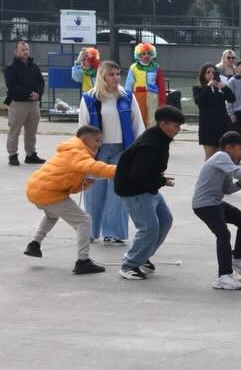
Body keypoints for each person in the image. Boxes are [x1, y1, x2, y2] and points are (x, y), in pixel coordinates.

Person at [22, 125, 113, 275]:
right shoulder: (78, 153)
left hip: (36, 189)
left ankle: (34, 244)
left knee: (51, 215)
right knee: (84, 221)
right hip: (49, 193)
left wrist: (84, 184)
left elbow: (68, 181)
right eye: (97, 140)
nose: (100, 144)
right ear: (85, 140)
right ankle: (83, 262)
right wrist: (122, 170)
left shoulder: (72, 150)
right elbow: (98, 168)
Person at [112, 104, 185, 281]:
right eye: (176, 125)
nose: (178, 129)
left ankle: (142, 257)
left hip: (147, 188)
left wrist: (158, 179)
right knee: (149, 228)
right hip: (134, 190)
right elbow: (137, 174)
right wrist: (162, 181)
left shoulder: (159, 138)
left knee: (165, 220)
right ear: (163, 124)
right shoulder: (151, 145)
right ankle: (129, 265)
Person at [79, 60, 145, 244]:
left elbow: (138, 125)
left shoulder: (127, 96)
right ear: (102, 76)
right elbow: (82, 129)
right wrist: (83, 154)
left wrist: (140, 151)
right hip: (96, 152)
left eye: (118, 74)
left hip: (122, 150)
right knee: (94, 192)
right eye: (111, 74)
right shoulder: (89, 98)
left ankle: (114, 233)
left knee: (118, 193)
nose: (116, 78)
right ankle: (91, 232)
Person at [191, 130, 241, 291]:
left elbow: (227, 189)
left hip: (215, 203)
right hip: (205, 205)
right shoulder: (221, 156)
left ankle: (237, 257)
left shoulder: (226, 163)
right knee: (223, 234)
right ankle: (224, 276)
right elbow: (237, 172)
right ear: (228, 147)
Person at [5, 40, 45, 165]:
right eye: (22, 49)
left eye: (27, 49)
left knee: (31, 132)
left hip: (33, 104)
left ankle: (31, 155)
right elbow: (12, 86)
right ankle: (12, 155)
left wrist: (38, 93)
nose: (25, 51)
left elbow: (41, 82)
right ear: (16, 51)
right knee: (14, 131)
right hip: (18, 104)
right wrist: (30, 93)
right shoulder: (10, 68)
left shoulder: (34, 66)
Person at [193, 64, 235, 159]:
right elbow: (198, 101)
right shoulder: (198, 88)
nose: (211, 74)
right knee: (210, 157)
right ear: (203, 75)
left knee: (223, 156)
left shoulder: (219, 88)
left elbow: (232, 98)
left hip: (222, 124)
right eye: (208, 72)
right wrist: (208, 86)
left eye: (213, 72)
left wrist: (223, 87)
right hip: (208, 126)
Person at [123, 42, 167, 128]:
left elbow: (161, 84)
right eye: (143, 54)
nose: (146, 56)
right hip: (138, 94)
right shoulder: (133, 67)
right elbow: (129, 84)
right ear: (139, 55)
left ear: (152, 55)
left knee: (152, 118)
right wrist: (127, 99)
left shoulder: (156, 67)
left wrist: (162, 100)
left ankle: (151, 136)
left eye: (149, 53)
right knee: (139, 116)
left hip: (153, 95)